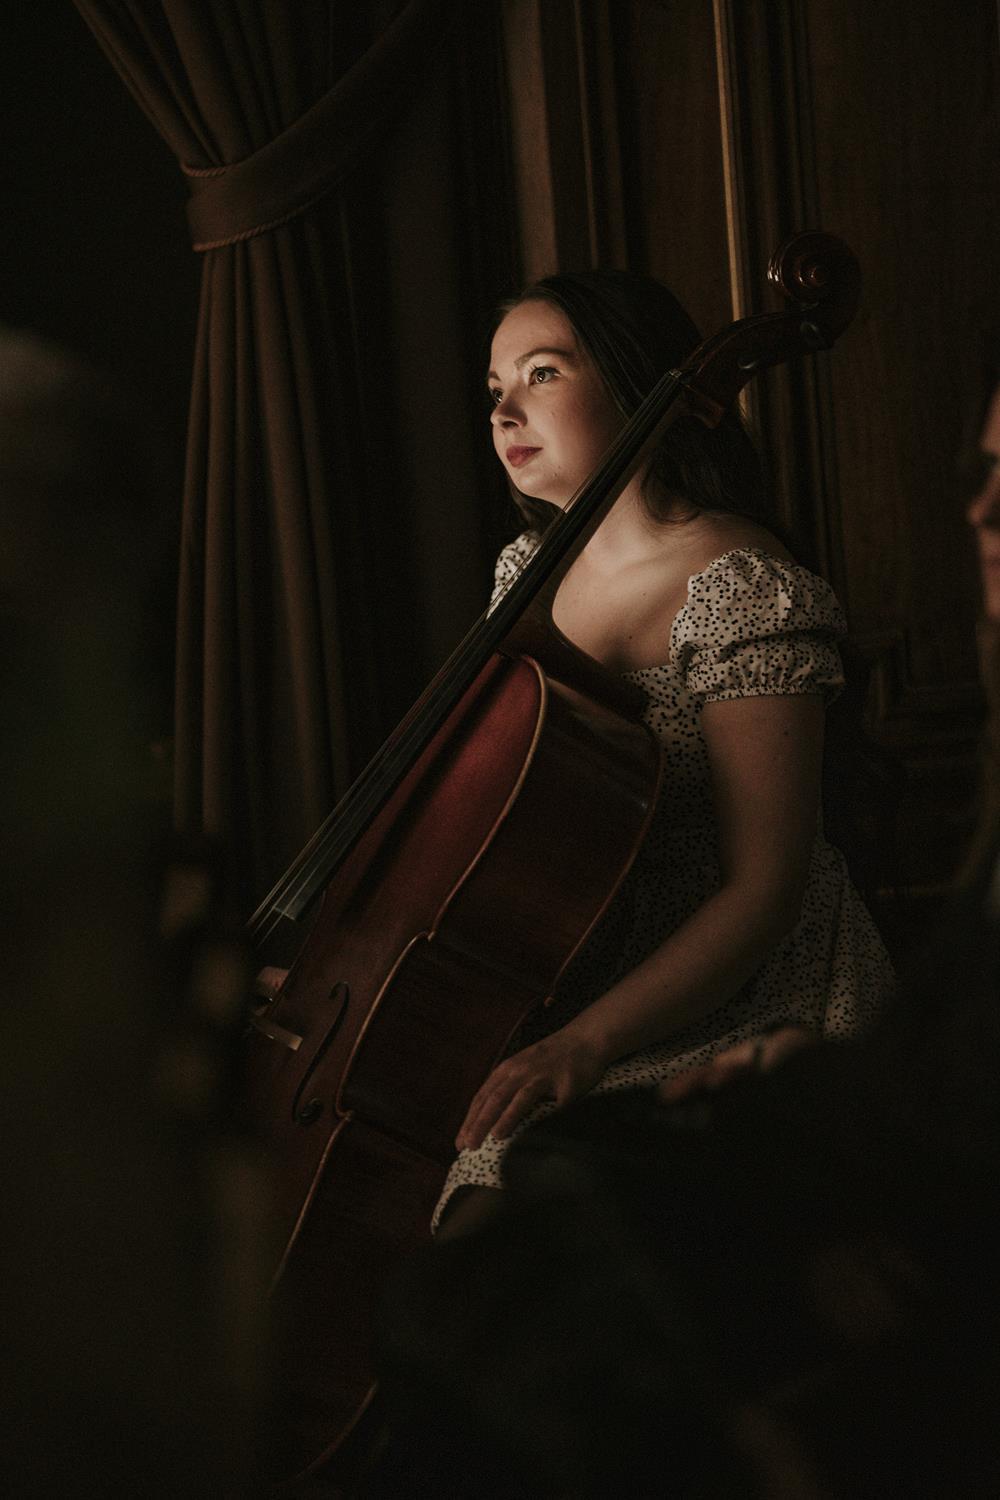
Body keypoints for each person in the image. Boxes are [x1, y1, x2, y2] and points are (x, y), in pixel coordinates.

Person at [436, 268, 894, 1232]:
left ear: (636, 383)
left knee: (516, 1225)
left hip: (745, 992)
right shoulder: (523, 577)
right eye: (495, 388)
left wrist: (584, 1045)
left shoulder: (740, 579)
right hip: (579, 971)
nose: (505, 410)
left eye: (543, 373)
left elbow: (767, 891)